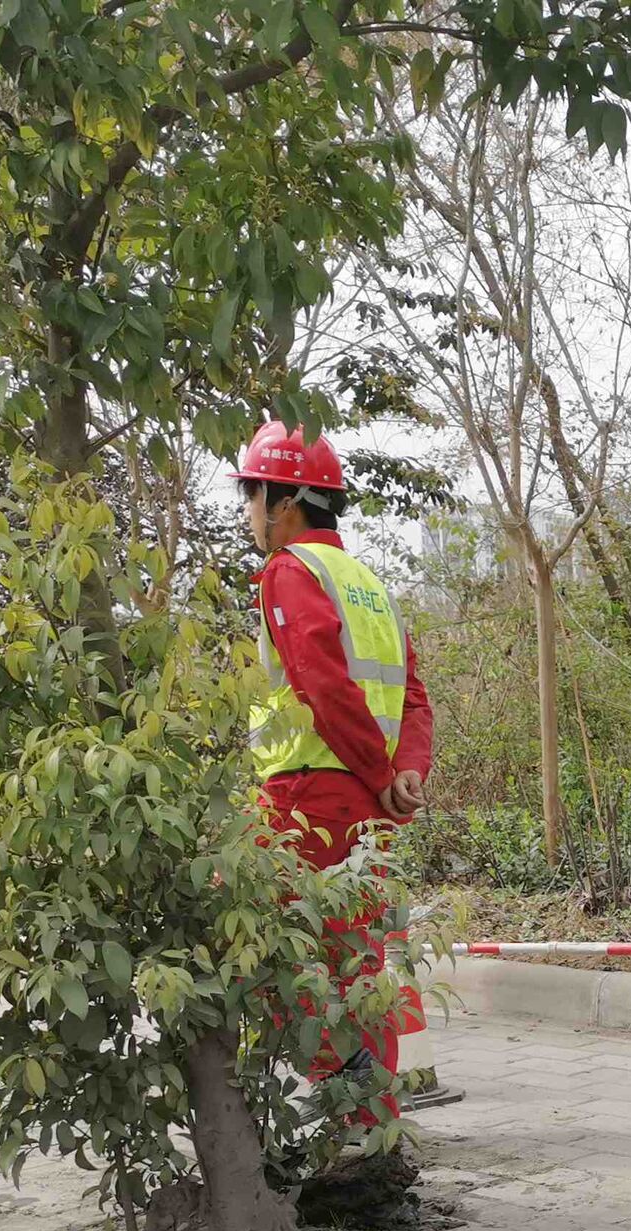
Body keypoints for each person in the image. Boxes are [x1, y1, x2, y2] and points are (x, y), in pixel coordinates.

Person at [237, 421, 435, 1125]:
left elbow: (321, 686)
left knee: (294, 957)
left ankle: (339, 1122)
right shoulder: (371, 585)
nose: (249, 514)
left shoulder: (290, 570)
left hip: (306, 795)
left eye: (252, 496)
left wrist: (381, 772)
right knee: (359, 961)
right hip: (369, 803)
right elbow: (412, 695)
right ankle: (368, 1120)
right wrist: (403, 774)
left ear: (284, 498)